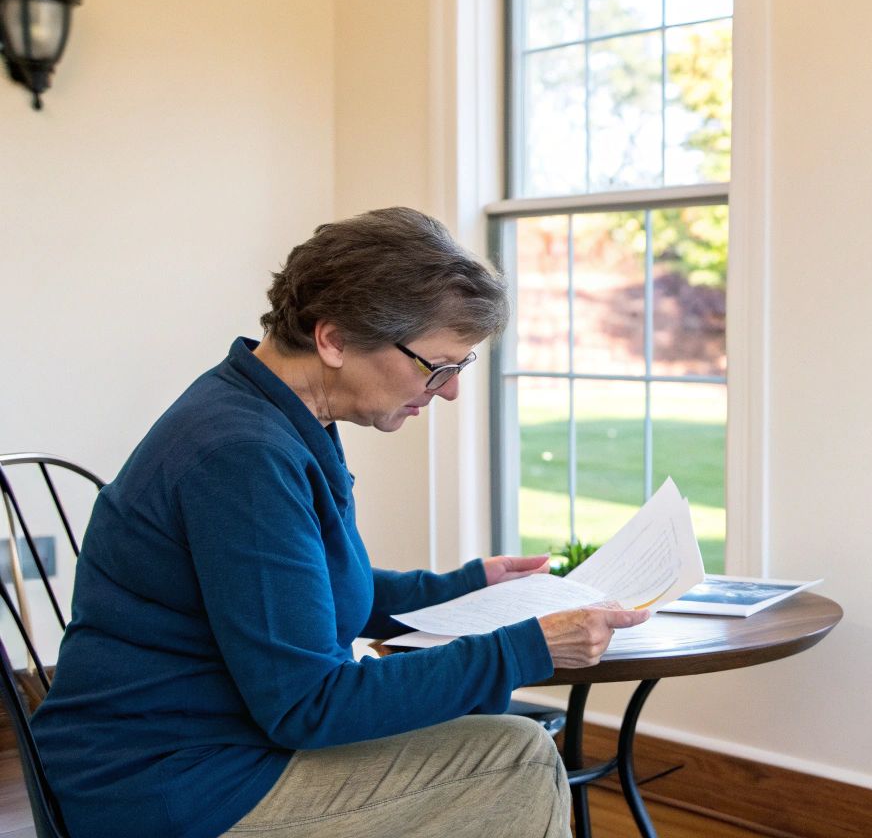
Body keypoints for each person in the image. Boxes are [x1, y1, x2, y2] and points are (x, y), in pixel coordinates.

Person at [31, 207, 647, 838]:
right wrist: (526, 648)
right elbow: (308, 704)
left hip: (214, 751)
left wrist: (466, 585)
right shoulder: (243, 455)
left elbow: (294, 593)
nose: (449, 388)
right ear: (333, 339)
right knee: (512, 757)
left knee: (492, 740)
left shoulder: (276, 415)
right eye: (438, 364)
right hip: (168, 787)